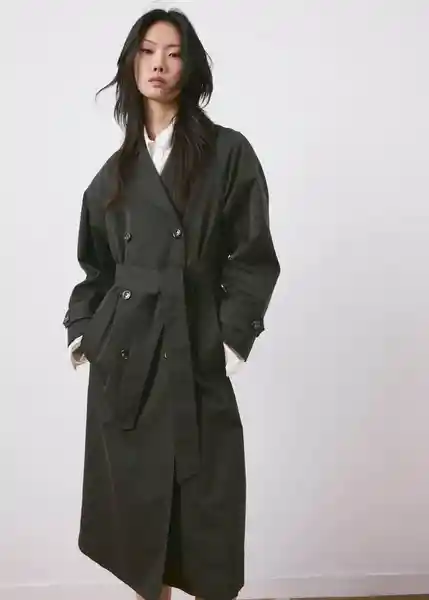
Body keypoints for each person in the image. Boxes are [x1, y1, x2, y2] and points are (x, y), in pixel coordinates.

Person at [62, 8, 280, 600]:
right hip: (125, 359)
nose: (159, 63)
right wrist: (84, 331)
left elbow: (253, 256)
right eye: (147, 50)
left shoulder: (228, 153)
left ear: (191, 66)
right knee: (138, 521)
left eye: (174, 52)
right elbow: (96, 271)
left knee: (205, 504)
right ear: (132, 64)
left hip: (192, 344)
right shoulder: (113, 175)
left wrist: (230, 337)